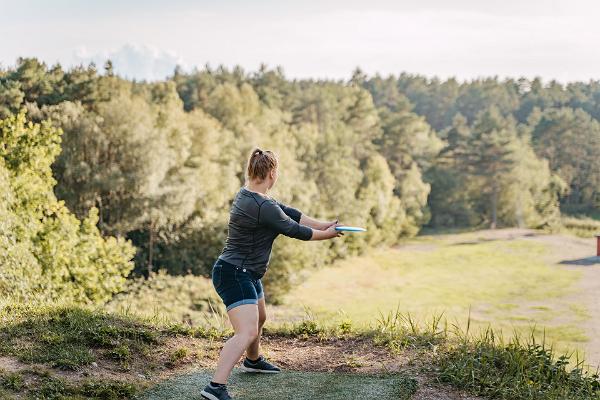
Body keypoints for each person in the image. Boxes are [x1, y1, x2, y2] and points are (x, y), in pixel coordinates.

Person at [200, 148, 344, 400]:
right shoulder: (261, 205)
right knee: (246, 331)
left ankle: (253, 361)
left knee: (260, 317)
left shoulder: (250, 195)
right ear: (272, 173)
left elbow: (289, 213)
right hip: (234, 273)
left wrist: (324, 224)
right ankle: (215, 387)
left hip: (246, 272)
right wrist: (328, 235)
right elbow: (294, 229)